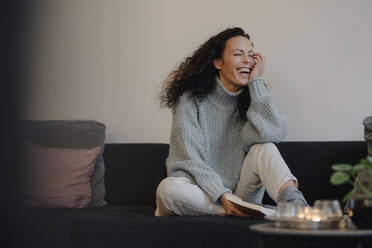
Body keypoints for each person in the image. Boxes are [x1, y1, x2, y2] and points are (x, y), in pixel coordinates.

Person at [156, 27, 307, 217]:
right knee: (167, 189)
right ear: (218, 62)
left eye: (251, 55)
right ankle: (268, 214)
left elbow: (274, 132)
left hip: (241, 197)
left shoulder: (253, 100)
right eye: (238, 54)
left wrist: (257, 82)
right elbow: (189, 160)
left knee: (264, 148)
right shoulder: (190, 100)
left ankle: (298, 209)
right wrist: (222, 195)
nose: (247, 60)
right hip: (202, 195)